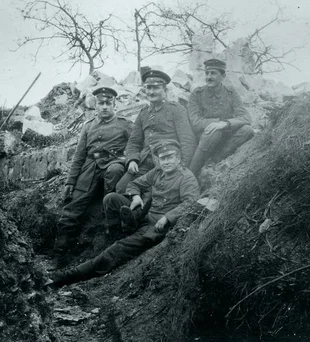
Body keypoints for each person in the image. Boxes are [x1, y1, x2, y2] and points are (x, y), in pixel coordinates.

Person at [44, 139, 200, 288]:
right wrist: (136, 195)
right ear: (158, 160)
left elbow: (191, 202)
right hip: (146, 218)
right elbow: (134, 183)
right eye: (162, 158)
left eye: (170, 157)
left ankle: (67, 277)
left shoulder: (186, 178)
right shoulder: (157, 172)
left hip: (156, 228)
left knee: (116, 250)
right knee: (112, 198)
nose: (166, 162)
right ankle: (118, 233)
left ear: (178, 158)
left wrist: (168, 217)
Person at [54, 86, 133, 253]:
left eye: (108, 103)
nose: (104, 106)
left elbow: (136, 146)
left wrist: (128, 160)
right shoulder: (88, 126)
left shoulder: (125, 124)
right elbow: (79, 156)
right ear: (95, 105)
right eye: (100, 103)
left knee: (115, 171)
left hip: (114, 164)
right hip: (90, 167)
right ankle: (61, 252)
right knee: (73, 205)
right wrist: (71, 181)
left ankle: (110, 223)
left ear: (114, 104)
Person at [116, 70, 196, 194]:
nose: (151, 92)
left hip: (167, 161)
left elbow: (187, 141)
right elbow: (134, 142)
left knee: (153, 192)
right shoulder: (143, 113)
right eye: (148, 88)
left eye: (156, 88)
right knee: (121, 188)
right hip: (144, 161)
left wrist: (182, 166)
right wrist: (132, 159)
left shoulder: (177, 110)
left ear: (165, 90)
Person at [188, 58, 255, 176]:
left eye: (213, 73)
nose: (208, 77)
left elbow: (246, 117)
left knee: (247, 130)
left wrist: (225, 123)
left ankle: (215, 161)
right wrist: (215, 124)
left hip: (225, 133)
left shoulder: (230, 92)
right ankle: (191, 174)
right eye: (207, 73)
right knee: (214, 132)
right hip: (206, 137)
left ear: (223, 76)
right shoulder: (196, 94)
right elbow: (195, 121)